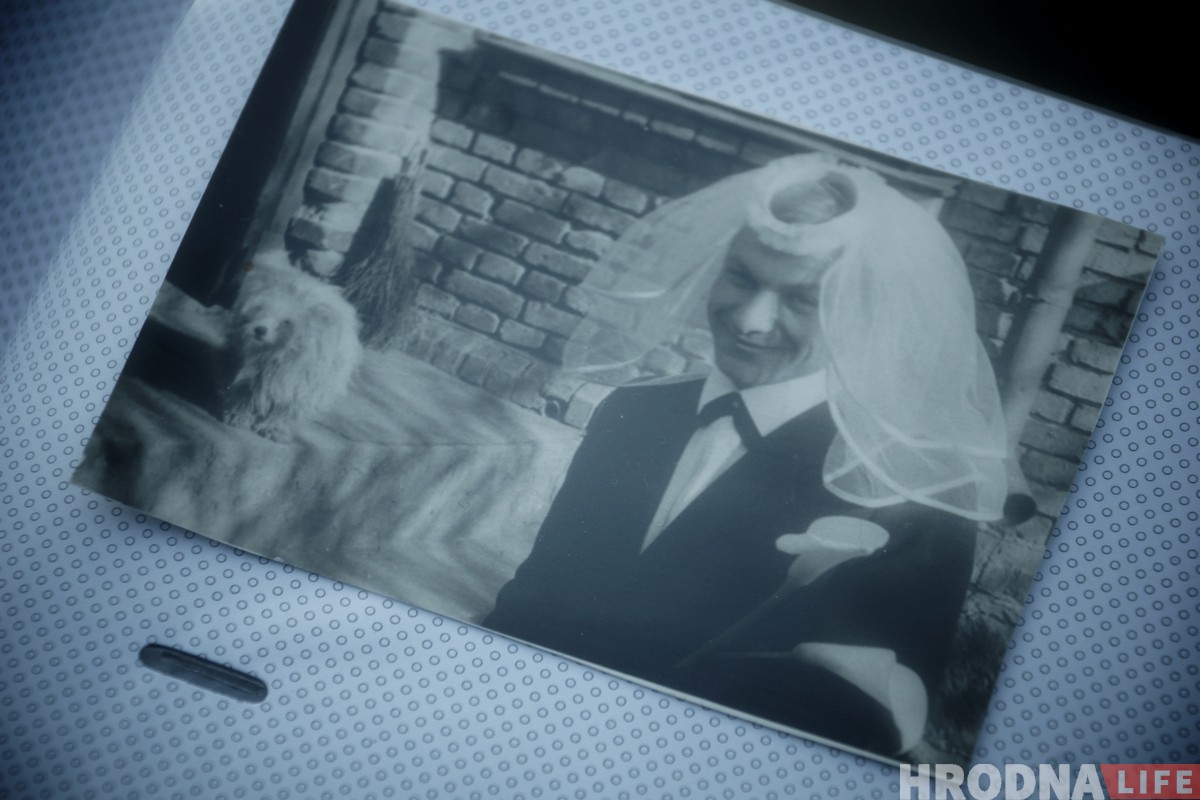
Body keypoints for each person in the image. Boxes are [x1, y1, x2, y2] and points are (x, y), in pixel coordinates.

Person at [483, 153, 1009, 757]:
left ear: (862, 314)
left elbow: (856, 725)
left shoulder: (907, 495)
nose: (751, 320)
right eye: (741, 276)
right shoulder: (633, 413)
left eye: (802, 300)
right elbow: (532, 596)